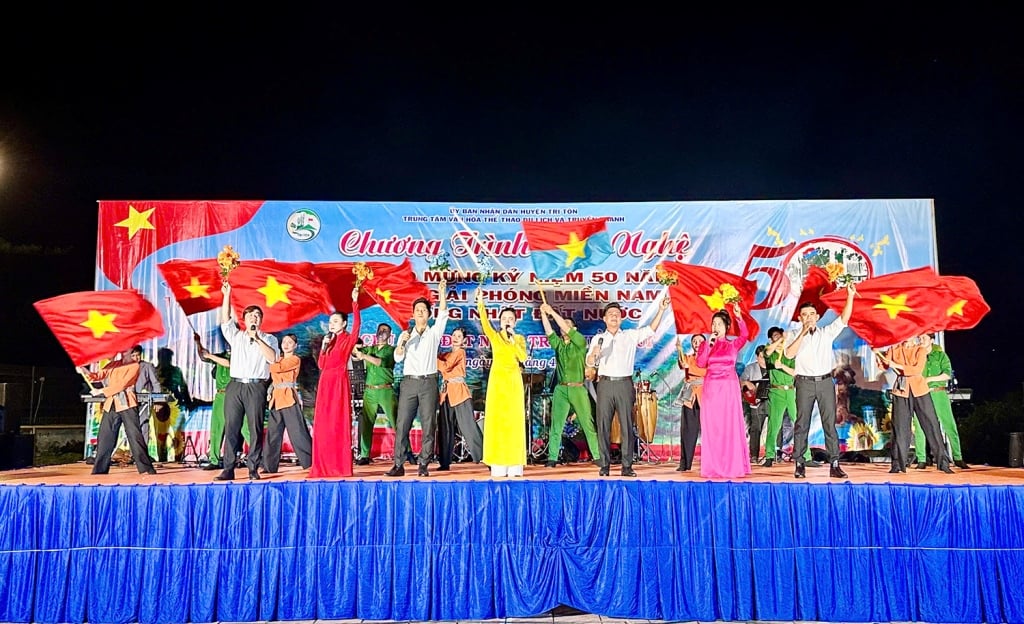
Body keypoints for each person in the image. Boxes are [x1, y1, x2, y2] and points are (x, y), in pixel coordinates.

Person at [585, 296, 671, 477]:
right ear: (605, 319)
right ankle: (605, 465)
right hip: (605, 384)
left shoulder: (629, 336)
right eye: (610, 314)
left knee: (626, 426)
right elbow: (590, 363)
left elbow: (650, 330)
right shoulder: (598, 339)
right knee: (603, 426)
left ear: (621, 318)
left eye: (617, 314)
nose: (614, 317)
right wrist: (594, 354)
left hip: (624, 384)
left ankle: (627, 466)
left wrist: (661, 310)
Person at [784, 283, 856, 479]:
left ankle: (835, 463)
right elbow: (789, 354)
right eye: (804, 315)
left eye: (811, 314)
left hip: (825, 382)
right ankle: (799, 463)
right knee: (802, 424)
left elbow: (844, 318)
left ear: (817, 317)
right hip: (804, 383)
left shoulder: (826, 333)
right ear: (800, 318)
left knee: (829, 424)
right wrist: (802, 333)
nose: (808, 317)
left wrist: (850, 296)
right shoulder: (793, 335)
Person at [215, 282, 279, 481]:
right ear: (243, 319)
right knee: (231, 427)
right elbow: (225, 320)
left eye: (257, 315)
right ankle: (228, 468)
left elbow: (273, 359)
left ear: (261, 320)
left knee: (255, 428)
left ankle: (253, 468)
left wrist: (257, 338)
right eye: (250, 315)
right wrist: (227, 295)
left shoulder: (269, 339)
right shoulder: (236, 336)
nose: (254, 318)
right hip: (235, 385)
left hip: (256, 386)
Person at [388, 279, 448, 477]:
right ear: (412, 315)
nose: (420, 312)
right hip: (409, 383)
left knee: (428, 424)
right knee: (402, 424)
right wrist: (402, 344)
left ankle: (423, 463)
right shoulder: (405, 335)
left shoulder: (434, 333)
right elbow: (398, 358)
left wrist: (442, 293)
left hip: (428, 382)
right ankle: (398, 464)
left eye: (424, 310)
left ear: (429, 314)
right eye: (417, 310)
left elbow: (443, 315)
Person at [876, 337, 954, 474]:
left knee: (932, 425)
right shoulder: (894, 349)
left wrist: (896, 365)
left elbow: (916, 370)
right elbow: (884, 365)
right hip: (901, 391)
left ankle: (943, 462)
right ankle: (897, 464)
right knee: (899, 428)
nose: (906, 337)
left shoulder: (920, 350)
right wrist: (877, 354)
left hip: (920, 390)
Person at [538, 304, 601, 467]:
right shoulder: (559, 345)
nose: (563, 327)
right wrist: (543, 314)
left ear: (574, 329)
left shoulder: (580, 342)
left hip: (577, 388)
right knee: (556, 425)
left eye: (567, 324)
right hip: (561, 389)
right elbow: (549, 331)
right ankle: (552, 457)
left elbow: (564, 327)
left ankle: (597, 456)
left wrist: (552, 312)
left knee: (587, 423)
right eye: (561, 325)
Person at [78, 349, 157, 475]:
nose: (124, 352)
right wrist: (83, 370)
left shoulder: (134, 366)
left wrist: (101, 391)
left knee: (134, 436)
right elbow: (96, 376)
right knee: (105, 437)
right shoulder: (113, 364)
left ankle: (146, 468)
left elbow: (122, 385)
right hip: (112, 403)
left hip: (127, 403)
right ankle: (99, 470)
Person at [309, 288, 362, 478]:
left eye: (336, 321)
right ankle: (322, 466)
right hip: (325, 383)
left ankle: (340, 466)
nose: (332, 324)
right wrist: (324, 347)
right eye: (330, 322)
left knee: (338, 424)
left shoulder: (347, 339)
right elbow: (321, 364)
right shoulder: (329, 341)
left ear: (344, 323)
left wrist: (355, 303)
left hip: (339, 383)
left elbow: (357, 327)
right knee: (323, 426)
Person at [694, 303, 751, 479]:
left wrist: (739, 317)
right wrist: (709, 345)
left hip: (728, 388)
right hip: (711, 388)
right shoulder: (706, 344)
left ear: (726, 327)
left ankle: (731, 465)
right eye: (713, 324)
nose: (715, 327)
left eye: (719, 324)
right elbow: (700, 363)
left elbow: (745, 335)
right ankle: (713, 466)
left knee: (728, 426)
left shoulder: (733, 345)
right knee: (713, 427)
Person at [476, 289, 529, 477]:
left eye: (510, 318)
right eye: (504, 318)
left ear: (515, 322)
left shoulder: (519, 339)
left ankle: (514, 463)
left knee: (514, 422)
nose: (507, 321)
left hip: (514, 381)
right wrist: (480, 302)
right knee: (497, 421)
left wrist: (513, 340)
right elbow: (484, 322)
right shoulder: (495, 336)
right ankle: (498, 462)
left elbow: (523, 358)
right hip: (498, 382)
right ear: (500, 321)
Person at [195, 345, 252, 470]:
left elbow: (229, 363)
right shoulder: (220, 355)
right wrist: (198, 343)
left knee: (245, 427)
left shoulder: (242, 355)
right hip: (220, 395)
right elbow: (203, 357)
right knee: (217, 428)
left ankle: (258, 457)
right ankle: (214, 460)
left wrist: (210, 355)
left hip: (235, 394)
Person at [917, 333, 968, 469]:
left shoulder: (940, 355)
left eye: (924, 338)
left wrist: (929, 379)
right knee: (919, 425)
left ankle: (958, 457)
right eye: (920, 338)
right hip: (921, 394)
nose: (921, 340)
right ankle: (921, 459)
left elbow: (947, 374)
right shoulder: (917, 355)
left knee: (949, 424)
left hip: (938, 393)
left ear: (931, 340)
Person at [436, 326, 483, 469]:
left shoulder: (460, 352)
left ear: (463, 341)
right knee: (445, 427)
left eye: (459, 336)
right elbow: (439, 360)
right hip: (446, 394)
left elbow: (445, 367)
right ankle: (444, 462)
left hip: (460, 393)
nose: (455, 338)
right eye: (454, 335)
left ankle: (484, 457)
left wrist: (434, 358)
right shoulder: (447, 354)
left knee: (468, 426)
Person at [265, 333, 313, 473]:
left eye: (290, 342)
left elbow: (276, 368)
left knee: (298, 432)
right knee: (273, 434)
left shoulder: (295, 359)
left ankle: (310, 462)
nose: (286, 345)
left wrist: (271, 363)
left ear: (295, 346)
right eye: (284, 342)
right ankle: (269, 466)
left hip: (289, 398)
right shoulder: (277, 359)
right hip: (275, 399)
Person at [352, 323, 397, 465]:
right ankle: (364, 455)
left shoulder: (392, 350)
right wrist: (355, 348)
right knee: (366, 423)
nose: (382, 332)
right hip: (370, 390)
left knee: (396, 422)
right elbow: (355, 354)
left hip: (385, 390)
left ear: (389, 335)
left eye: (385, 330)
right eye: (380, 330)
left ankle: (406, 451)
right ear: (376, 333)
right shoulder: (370, 348)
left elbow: (381, 362)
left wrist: (364, 355)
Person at [762, 326, 807, 467]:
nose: (779, 338)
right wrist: (781, 338)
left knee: (800, 423)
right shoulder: (769, 353)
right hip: (777, 392)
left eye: (780, 335)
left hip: (791, 392)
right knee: (774, 425)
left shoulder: (789, 354)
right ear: (771, 339)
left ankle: (806, 456)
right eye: (775, 336)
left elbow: (795, 372)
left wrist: (782, 366)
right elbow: (767, 352)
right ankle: (769, 456)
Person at [153, 347, 192, 462]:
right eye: (164, 357)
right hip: (160, 405)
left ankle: (177, 459)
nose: (166, 359)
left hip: (176, 404)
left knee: (177, 434)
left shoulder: (175, 371)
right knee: (161, 434)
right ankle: (163, 459)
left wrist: (188, 402)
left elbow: (183, 387)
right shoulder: (154, 371)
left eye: (168, 357)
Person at [675, 334, 706, 472]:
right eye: (694, 341)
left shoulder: (710, 358)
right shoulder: (688, 358)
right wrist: (679, 350)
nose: (697, 343)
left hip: (706, 395)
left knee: (710, 431)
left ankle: (712, 462)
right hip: (690, 396)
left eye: (700, 341)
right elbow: (683, 364)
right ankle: (685, 463)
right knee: (688, 430)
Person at [740, 344, 770, 463]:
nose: (764, 360)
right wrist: (747, 383)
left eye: (766, 357)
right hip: (756, 402)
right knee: (755, 428)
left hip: (772, 400)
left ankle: (774, 454)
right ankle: (754, 455)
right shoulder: (750, 368)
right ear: (757, 357)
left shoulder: (773, 367)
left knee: (776, 427)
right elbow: (741, 381)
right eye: (762, 357)